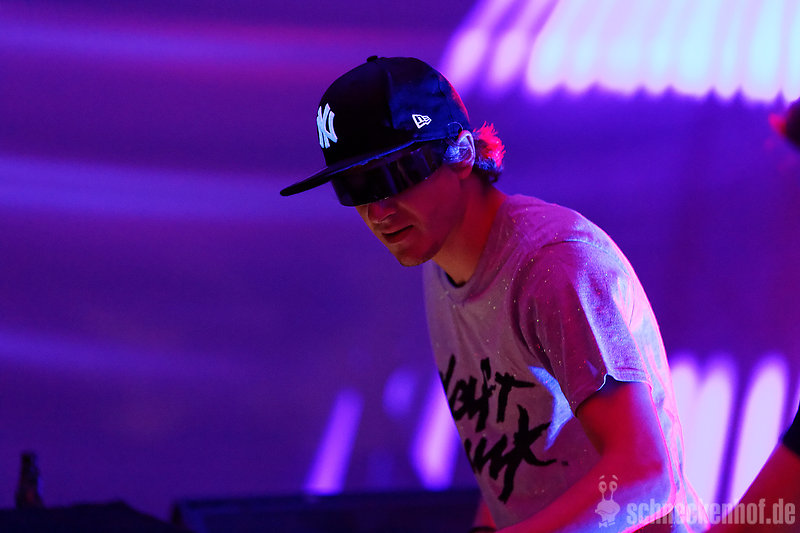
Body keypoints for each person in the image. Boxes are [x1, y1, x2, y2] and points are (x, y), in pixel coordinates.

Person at [280, 56, 705, 532]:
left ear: (461, 152)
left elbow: (646, 475)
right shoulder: (440, 264)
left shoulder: (554, 266)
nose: (378, 210)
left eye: (394, 173)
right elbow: (513, 461)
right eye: (354, 186)